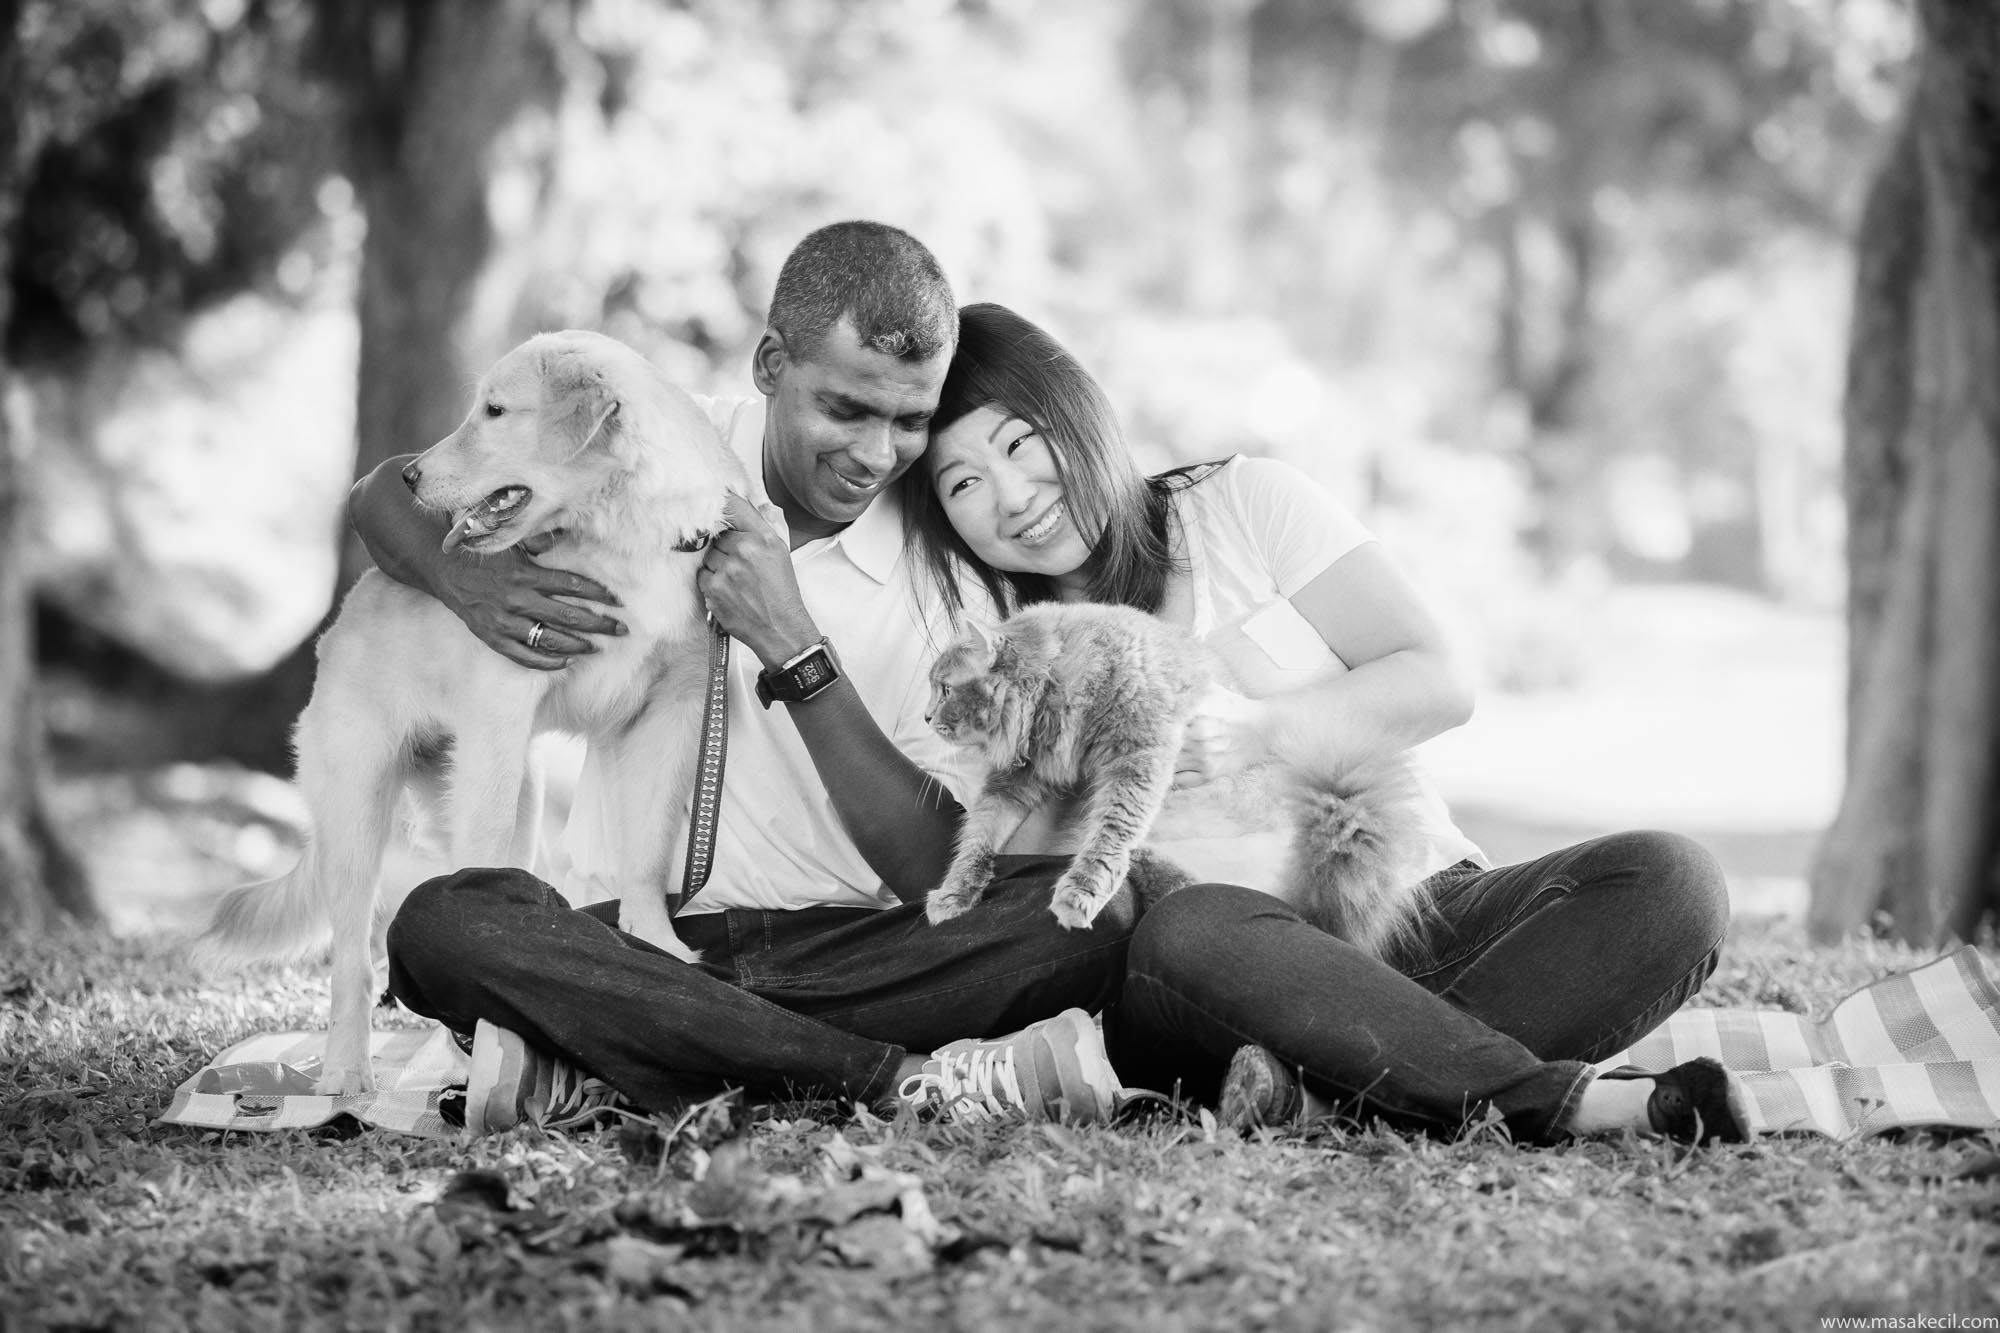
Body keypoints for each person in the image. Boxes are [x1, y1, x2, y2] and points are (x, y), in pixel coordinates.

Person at [897, 301, 1747, 1145]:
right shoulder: (981, 653)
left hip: (1412, 909)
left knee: (1673, 880)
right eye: (963, 481)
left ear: (1074, 413)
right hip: (1228, 973)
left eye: (1017, 442)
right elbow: (1028, 879)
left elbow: (1439, 677)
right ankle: (1538, 1097)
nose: (1011, 496)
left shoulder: (1244, 505)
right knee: (1189, 929)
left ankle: (1325, 1097)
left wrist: (1255, 726)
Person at [348, 224, 1131, 1133]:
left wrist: (798, 650)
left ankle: (617, 1057)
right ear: (769, 365)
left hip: (850, 958)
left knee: (1095, 908)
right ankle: (891, 1080)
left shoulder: (952, 579)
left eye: (910, 421)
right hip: (617, 941)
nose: (877, 454)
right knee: (445, 924)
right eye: (845, 409)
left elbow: (938, 870)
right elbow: (381, 495)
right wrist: (471, 583)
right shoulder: (649, 438)